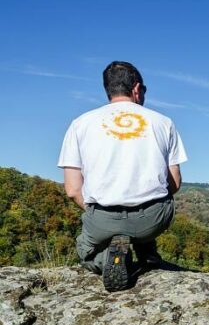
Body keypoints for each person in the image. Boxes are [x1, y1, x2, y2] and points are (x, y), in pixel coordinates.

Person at [57, 61, 187, 292]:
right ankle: (146, 250)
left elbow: (72, 190)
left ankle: (110, 259)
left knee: (85, 251)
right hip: (152, 220)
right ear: (136, 89)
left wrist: (100, 213)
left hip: (102, 220)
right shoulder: (163, 122)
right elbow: (174, 182)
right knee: (159, 199)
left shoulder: (80, 124)